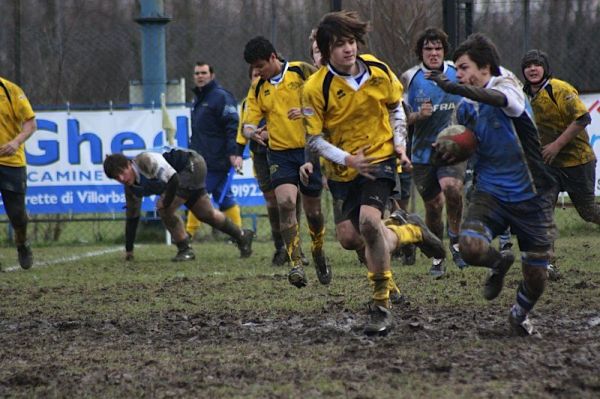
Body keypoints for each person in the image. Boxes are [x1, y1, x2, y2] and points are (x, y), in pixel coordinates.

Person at [301, 11, 445, 335]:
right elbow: (313, 138)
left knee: (369, 223)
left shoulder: (378, 70)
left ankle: (381, 306)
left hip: (379, 160)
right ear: (326, 51)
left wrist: (400, 144)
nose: (348, 49)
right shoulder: (315, 88)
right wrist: (347, 159)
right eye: (339, 45)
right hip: (342, 172)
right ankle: (412, 232)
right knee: (352, 238)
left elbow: (396, 107)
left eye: (351, 42)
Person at [427, 33, 556, 336]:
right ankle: (499, 263)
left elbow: (501, 101)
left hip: (532, 194)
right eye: (455, 70)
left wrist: (454, 87)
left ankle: (519, 313)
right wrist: (444, 153)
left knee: (536, 275)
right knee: (469, 248)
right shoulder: (466, 106)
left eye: (462, 68)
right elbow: (460, 144)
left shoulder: (507, 85)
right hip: (491, 192)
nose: (457, 75)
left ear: (484, 67)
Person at [242, 36, 331, 287]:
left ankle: (318, 249)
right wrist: (253, 133)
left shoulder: (302, 71)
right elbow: (249, 121)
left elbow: (327, 103)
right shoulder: (259, 87)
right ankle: (295, 263)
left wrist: (305, 112)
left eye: (260, 65)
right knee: (286, 202)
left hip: (308, 150)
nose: (257, 72)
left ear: (273, 57)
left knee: (313, 212)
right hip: (279, 153)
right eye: (254, 68)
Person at [521, 49, 599, 279]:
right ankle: (548, 263)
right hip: (547, 164)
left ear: (545, 68)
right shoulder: (523, 95)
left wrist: (556, 145)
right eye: (528, 65)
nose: (532, 69)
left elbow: (584, 118)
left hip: (577, 161)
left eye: (537, 64)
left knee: (588, 211)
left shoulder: (560, 89)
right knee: (543, 209)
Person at [103, 148, 254, 262]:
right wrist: (129, 250)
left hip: (191, 165)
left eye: (123, 172)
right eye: (117, 177)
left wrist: (166, 202)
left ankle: (185, 249)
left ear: (129, 164)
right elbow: (132, 217)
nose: (122, 178)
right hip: (187, 173)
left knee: (165, 208)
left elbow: (173, 179)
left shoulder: (145, 160)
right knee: (206, 214)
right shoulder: (130, 188)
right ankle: (242, 235)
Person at [401, 28, 467, 277]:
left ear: (444, 51)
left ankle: (456, 240)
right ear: (421, 52)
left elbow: (473, 100)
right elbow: (400, 117)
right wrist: (419, 116)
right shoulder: (409, 77)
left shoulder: (457, 72)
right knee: (433, 205)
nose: (433, 53)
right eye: (428, 49)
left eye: (438, 48)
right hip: (422, 152)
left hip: (452, 147)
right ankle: (438, 256)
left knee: (451, 187)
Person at [233, 67, 307, 267]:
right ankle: (279, 246)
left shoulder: (282, 92)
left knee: (292, 198)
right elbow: (244, 128)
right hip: (260, 153)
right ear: (251, 80)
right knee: (272, 200)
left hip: (283, 151)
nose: (259, 78)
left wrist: (273, 133)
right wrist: (239, 152)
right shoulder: (250, 101)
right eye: (255, 76)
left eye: (260, 74)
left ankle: (295, 246)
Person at [186, 62, 242, 239]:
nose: (200, 76)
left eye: (203, 73)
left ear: (212, 75)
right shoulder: (199, 99)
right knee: (224, 197)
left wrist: (233, 152)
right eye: (197, 73)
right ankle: (240, 234)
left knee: (194, 194)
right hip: (201, 157)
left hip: (215, 159)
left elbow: (232, 126)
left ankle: (188, 234)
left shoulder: (221, 97)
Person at [0, 76, 37, 270]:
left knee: (18, 216)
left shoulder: (11, 90)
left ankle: (22, 244)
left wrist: (15, 142)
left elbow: (31, 125)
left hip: (11, 163)